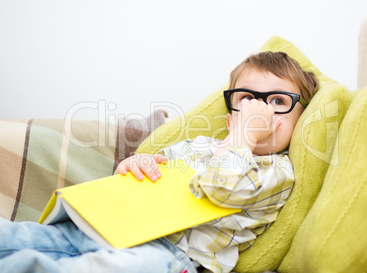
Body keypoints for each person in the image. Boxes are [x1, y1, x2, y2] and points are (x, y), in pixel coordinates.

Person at [0, 51, 318, 273]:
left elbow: (221, 190)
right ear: (229, 119)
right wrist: (134, 167)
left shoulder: (278, 173)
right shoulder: (199, 145)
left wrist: (243, 140)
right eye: (248, 100)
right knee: (18, 237)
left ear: (300, 121)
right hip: (107, 229)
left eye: (278, 101)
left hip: (168, 255)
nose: (259, 110)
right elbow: (151, 170)